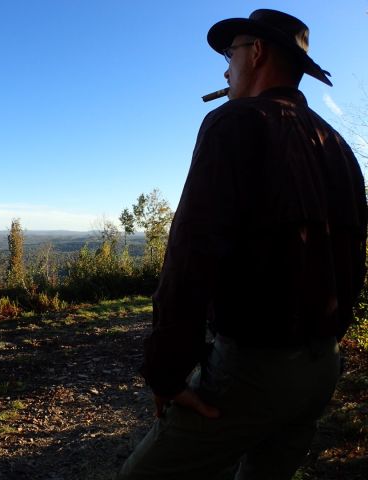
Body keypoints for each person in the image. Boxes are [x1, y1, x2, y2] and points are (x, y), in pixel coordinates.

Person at [117, 9, 367, 480]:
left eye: (230, 53)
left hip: (255, 370)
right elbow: (354, 259)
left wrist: (167, 374)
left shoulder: (232, 123)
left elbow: (191, 257)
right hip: (323, 369)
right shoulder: (338, 146)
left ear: (256, 52)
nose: (225, 68)